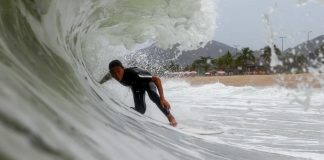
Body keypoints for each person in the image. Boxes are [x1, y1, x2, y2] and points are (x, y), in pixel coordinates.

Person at [99, 60, 177, 127]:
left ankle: (171, 117)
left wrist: (162, 98)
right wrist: (98, 83)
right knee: (141, 110)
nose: (116, 75)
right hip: (136, 86)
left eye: (118, 71)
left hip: (148, 83)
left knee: (153, 96)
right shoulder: (111, 74)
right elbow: (105, 78)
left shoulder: (133, 74)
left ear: (123, 68)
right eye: (113, 73)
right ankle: (127, 115)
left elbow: (156, 79)